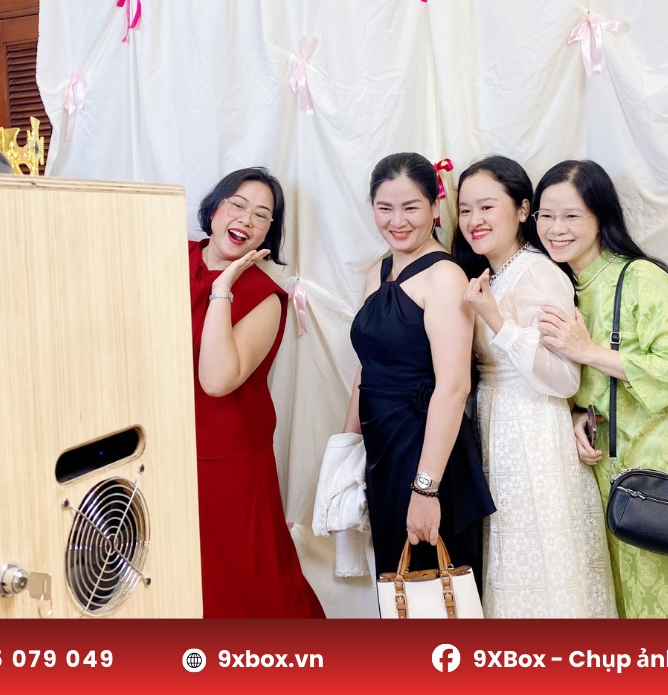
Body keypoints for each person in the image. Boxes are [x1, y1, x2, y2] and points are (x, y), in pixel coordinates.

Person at [533, 159, 668, 618]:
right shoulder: (562, 287)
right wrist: (577, 416)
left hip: (663, 468)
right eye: (546, 215)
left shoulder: (641, 277)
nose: (556, 229)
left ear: (600, 216)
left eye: (571, 216)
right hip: (605, 468)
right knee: (622, 607)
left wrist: (587, 350)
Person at [452, 156, 616, 618]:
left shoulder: (538, 271)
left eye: (487, 206)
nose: (474, 219)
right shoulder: (491, 273)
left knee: (541, 562)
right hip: (497, 428)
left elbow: (566, 377)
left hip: (534, 434)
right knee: (509, 563)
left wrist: (496, 320)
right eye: (465, 209)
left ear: (523, 210)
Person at [344, 152, 495, 587]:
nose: (397, 221)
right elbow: (367, 368)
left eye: (410, 207)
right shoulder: (378, 272)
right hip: (383, 454)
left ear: (434, 206)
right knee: (397, 591)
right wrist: (346, 451)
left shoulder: (444, 276)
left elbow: (454, 387)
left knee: (436, 591)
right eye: (385, 208)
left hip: (426, 452)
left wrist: (426, 488)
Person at [188, 167, 325, 618]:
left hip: (227, 460)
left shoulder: (265, 296)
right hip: (161, 448)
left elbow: (216, 380)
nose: (246, 219)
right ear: (215, 208)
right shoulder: (167, 256)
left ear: (268, 233)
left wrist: (221, 289)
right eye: (238, 204)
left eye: (262, 215)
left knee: (244, 585)